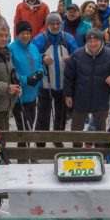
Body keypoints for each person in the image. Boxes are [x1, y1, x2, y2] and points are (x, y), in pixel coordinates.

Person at [64, 29, 110, 136]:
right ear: (86, 42)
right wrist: (68, 95)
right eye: (90, 41)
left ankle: (99, 151)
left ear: (101, 41)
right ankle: (76, 151)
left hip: (101, 100)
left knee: (100, 132)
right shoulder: (76, 55)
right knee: (76, 130)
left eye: (96, 41)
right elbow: (68, 77)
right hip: (80, 100)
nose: (93, 44)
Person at [31, 13, 78, 145]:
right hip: (45, 85)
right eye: (52, 24)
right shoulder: (40, 40)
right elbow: (32, 57)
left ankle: (58, 140)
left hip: (63, 84)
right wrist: (42, 58)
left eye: (58, 23)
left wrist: (72, 59)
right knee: (43, 116)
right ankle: (40, 143)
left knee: (61, 115)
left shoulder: (68, 38)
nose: (56, 26)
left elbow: (78, 55)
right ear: (47, 25)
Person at [9, 21, 44, 154]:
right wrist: (25, 79)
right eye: (22, 33)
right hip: (20, 97)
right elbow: (11, 71)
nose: (25, 35)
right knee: (23, 129)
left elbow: (39, 62)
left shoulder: (33, 47)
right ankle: (23, 157)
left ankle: (27, 154)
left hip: (33, 95)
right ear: (17, 34)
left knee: (29, 126)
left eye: (28, 33)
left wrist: (40, 72)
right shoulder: (11, 49)